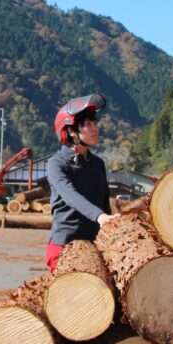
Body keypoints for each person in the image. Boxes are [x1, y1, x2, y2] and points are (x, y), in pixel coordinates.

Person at [45, 93, 120, 272]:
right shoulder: (57, 164)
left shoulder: (97, 164)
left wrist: (109, 222)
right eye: (88, 125)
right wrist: (99, 216)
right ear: (71, 130)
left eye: (95, 124)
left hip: (94, 245)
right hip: (64, 245)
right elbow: (71, 196)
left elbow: (104, 203)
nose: (95, 129)